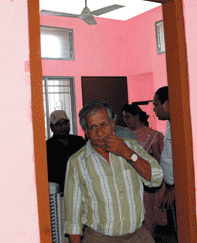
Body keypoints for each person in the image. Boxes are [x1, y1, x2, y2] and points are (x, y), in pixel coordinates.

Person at [65, 100, 163, 243]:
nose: (99, 132)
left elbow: (156, 178)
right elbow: (73, 219)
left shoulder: (130, 146)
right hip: (99, 239)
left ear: (113, 124)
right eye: (93, 127)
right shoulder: (77, 162)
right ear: (85, 131)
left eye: (103, 125)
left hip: (138, 237)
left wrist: (127, 153)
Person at [123, 103, 167, 234]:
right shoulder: (124, 135)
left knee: (147, 214)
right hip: (129, 180)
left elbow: (158, 159)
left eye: (128, 117)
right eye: (124, 117)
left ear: (137, 116)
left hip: (146, 179)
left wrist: (156, 177)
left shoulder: (151, 134)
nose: (125, 120)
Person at [45, 110, 87, 191]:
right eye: (58, 124)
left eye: (65, 123)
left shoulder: (79, 141)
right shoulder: (47, 147)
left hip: (82, 189)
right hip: (59, 193)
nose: (63, 126)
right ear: (51, 127)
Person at [152, 86, 176, 227]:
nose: (154, 110)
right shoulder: (169, 124)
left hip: (177, 188)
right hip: (170, 187)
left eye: (156, 105)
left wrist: (175, 188)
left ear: (167, 103)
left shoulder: (181, 126)